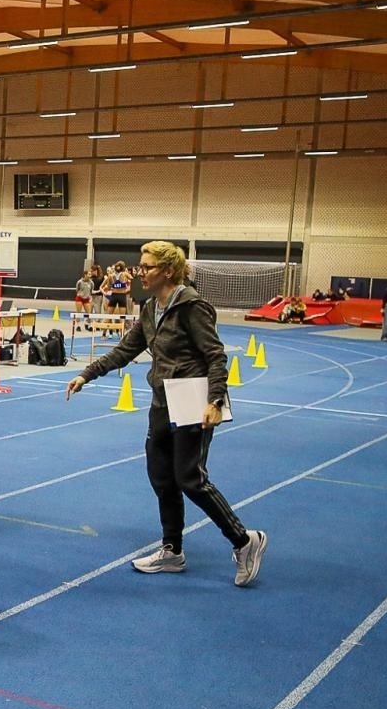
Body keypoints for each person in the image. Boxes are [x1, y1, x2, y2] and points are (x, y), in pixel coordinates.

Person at [64, 240, 267, 587]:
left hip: (193, 402)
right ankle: (172, 550)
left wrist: (215, 401)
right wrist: (87, 373)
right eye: (141, 265)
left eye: (147, 266)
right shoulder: (150, 309)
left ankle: (245, 540)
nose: (140, 271)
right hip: (162, 402)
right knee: (161, 476)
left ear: (168, 271)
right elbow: (127, 349)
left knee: (190, 479)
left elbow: (216, 356)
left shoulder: (192, 307)